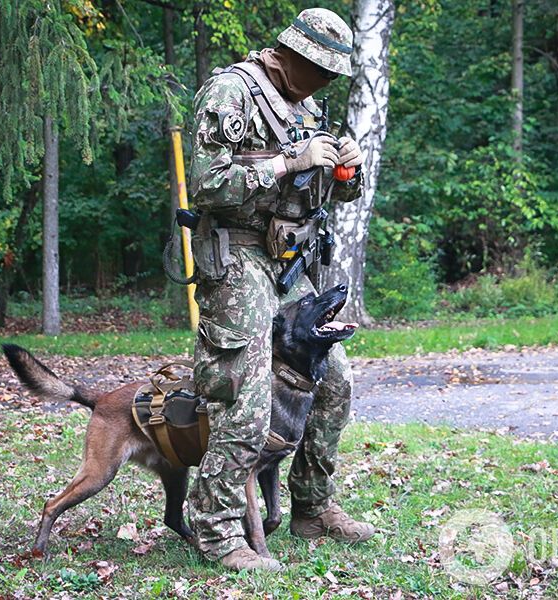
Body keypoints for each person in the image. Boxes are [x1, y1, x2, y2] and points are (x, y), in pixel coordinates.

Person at [186, 7, 375, 572]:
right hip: (238, 258)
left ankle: (312, 510)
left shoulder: (306, 107)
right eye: (320, 68)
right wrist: (289, 160)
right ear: (292, 53)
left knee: (334, 379)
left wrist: (347, 172)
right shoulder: (231, 91)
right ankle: (216, 529)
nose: (325, 81)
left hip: (288, 261)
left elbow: (321, 195)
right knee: (246, 392)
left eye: (332, 74)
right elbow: (206, 182)